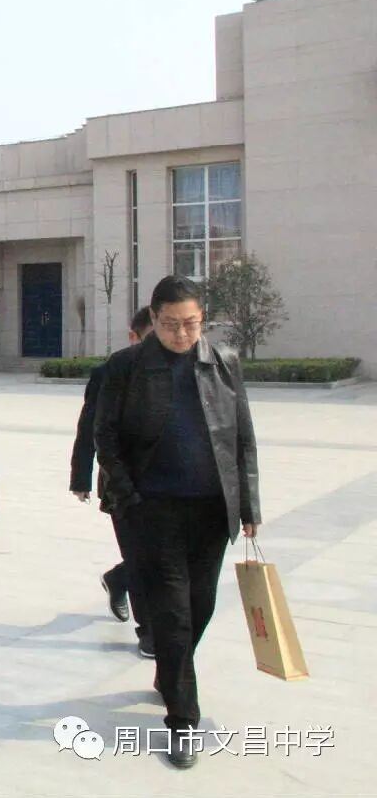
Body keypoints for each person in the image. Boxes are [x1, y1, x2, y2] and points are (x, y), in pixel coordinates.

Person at [94, 275, 261, 770]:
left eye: (191, 324)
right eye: (171, 324)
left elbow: (243, 437)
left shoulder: (223, 362)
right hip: (153, 510)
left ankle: (171, 672)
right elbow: (106, 437)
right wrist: (129, 496)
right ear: (154, 319)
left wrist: (249, 506)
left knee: (200, 605)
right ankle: (183, 720)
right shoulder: (126, 367)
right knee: (172, 614)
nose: (182, 333)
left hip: (210, 509)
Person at [69, 306, 154, 658]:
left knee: (154, 557)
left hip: (167, 484)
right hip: (121, 482)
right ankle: (150, 633)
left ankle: (119, 579)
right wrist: (81, 476)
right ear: (134, 337)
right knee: (140, 555)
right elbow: (90, 425)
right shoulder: (110, 372)